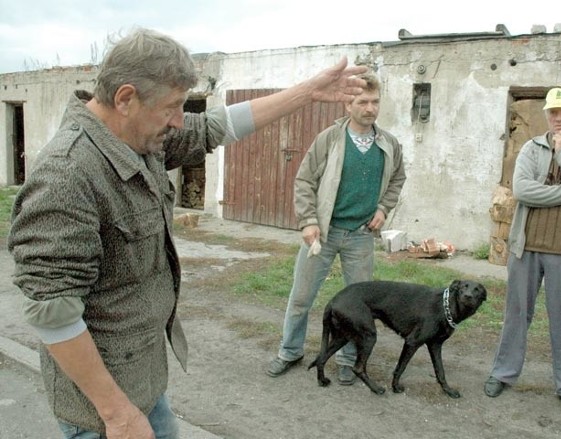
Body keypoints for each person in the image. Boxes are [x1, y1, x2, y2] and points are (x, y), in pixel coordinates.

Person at [7, 27, 368, 439]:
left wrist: (306, 93)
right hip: (103, 412)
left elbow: (217, 126)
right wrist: (118, 415)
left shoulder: (136, 136)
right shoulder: (67, 175)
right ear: (125, 98)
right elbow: (52, 313)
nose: (179, 120)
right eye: (172, 107)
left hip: (143, 381)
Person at [266, 72, 406, 385]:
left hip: (360, 236)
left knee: (359, 305)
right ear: (347, 105)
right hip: (324, 234)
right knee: (301, 297)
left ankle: (348, 358)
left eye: (375, 102)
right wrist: (308, 220)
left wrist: (383, 209)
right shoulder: (329, 139)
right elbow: (304, 180)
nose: (370, 108)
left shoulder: (389, 143)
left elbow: (398, 178)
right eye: (362, 102)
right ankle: (289, 351)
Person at [483, 87, 561, 423]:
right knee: (516, 315)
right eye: (553, 111)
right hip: (527, 247)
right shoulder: (531, 147)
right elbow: (523, 190)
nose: (558, 117)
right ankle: (504, 372)